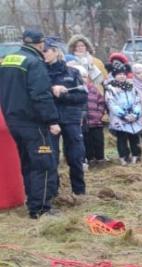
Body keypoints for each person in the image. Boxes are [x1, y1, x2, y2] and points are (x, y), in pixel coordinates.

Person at [0, 29, 61, 218]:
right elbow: (41, 95)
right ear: (40, 44)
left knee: (27, 163)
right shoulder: (34, 63)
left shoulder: (7, 60)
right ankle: (41, 208)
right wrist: (52, 120)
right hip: (34, 123)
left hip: (13, 120)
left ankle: (32, 201)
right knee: (43, 165)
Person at [46, 51, 88, 196]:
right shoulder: (39, 72)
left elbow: (82, 96)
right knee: (51, 157)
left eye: (46, 50)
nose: (44, 53)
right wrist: (51, 91)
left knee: (76, 155)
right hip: (49, 119)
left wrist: (64, 94)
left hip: (71, 119)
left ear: (56, 52)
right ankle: (53, 192)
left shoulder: (73, 72)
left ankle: (79, 191)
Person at [105, 64, 142, 164]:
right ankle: (123, 157)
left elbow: (137, 101)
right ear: (114, 75)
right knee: (122, 138)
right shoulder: (111, 88)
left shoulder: (131, 87)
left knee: (134, 137)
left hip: (133, 117)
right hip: (120, 118)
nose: (122, 76)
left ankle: (136, 155)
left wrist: (135, 114)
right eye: (119, 74)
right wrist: (123, 115)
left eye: (123, 74)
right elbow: (111, 104)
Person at [83, 68, 106, 166]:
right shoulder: (76, 90)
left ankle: (100, 158)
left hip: (96, 121)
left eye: (84, 77)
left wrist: (99, 113)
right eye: (80, 77)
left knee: (98, 140)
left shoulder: (93, 89)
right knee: (87, 141)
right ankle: (90, 158)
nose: (83, 79)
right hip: (84, 123)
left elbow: (101, 102)